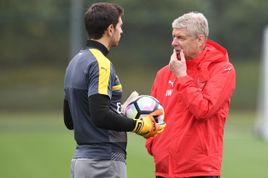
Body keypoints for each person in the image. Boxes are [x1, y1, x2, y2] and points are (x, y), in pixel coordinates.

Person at [63, 2, 165, 178]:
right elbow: (100, 115)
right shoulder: (101, 64)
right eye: (120, 26)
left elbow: (70, 120)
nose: (121, 31)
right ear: (110, 29)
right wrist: (139, 125)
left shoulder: (75, 62)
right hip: (103, 163)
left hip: (81, 162)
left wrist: (120, 109)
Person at [146, 12, 236, 178]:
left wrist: (182, 77)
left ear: (200, 40)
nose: (174, 43)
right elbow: (153, 115)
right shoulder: (164, 73)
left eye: (181, 38)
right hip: (164, 170)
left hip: (199, 170)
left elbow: (204, 109)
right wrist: (154, 145)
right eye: (173, 37)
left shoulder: (223, 70)